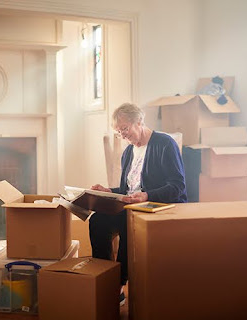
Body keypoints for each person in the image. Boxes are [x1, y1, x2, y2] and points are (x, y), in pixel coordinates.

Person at [89, 102, 187, 305]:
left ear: (140, 121)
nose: (122, 135)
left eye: (124, 129)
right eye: (118, 132)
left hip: (159, 207)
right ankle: (104, 277)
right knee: (97, 220)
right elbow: (127, 192)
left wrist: (147, 195)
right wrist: (109, 192)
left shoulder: (164, 144)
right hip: (134, 206)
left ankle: (118, 286)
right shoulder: (128, 152)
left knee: (126, 222)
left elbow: (178, 186)